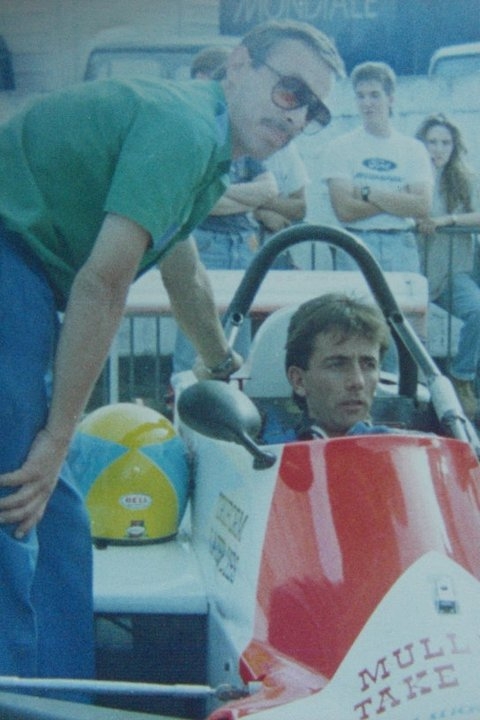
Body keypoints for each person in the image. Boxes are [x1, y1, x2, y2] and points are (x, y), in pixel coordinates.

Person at [0, 20, 344, 685]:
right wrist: (56, 436)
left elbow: (182, 270)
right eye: (290, 89)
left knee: (61, 514)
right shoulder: (185, 129)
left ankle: (66, 692)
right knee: (20, 490)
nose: (298, 115)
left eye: (314, 108)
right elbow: (102, 283)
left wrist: (219, 363)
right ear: (239, 65)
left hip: (27, 277)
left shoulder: (208, 151)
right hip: (11, 261)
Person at [323, 61, 432, 273]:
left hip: (401, 244)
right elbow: (344, 210)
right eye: (360, 96)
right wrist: (397, 198)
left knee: (401, 307)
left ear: (390, 99)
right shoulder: (339, 147)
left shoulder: (414, 149)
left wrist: (366, 192)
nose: (367, 103)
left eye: (374, 95)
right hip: (355, 243)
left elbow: (421, 206)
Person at [415, 114, 480, 420]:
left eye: (445, 142)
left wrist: (447, 221)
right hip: (413, 272)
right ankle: (416, 386)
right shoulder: (411, 174)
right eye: (432, 142)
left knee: (478, 311)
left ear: (454, 146)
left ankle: (462, 377)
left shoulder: (464, 179)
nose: (438, 149)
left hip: (453, 271)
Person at [262, 293, 392, 443]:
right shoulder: (270, 456)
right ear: (299, 381)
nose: (358, 381)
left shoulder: (402, 449)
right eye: (337, 365)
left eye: (369, 365)